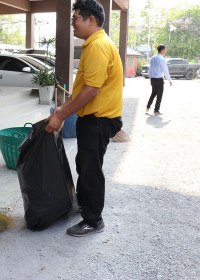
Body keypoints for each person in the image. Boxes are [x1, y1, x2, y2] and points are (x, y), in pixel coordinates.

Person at [46, 0, 123, 236]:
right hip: (93, 119)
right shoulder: (95, 44)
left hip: (98, 120)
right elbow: (84, 89)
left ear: (92, 20)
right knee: (84, 164)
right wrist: (62, 110)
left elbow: (91, 90)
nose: (72, 24)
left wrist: (61, 116)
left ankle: (93, 220)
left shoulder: (99, 45)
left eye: (76, 18)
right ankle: (85, 204)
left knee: (91, 169)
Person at [146, 44, 172, 115]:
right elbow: (165, 71)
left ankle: (148, 107)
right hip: (159, 79)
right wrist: (169, 80)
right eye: (165, 50)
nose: (165, 51)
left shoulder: (152, 58)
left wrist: (150, 79)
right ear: (163, 50)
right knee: (159, 95)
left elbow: (150, 70)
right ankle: (156, 110)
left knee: (153, 93)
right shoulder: (162, 59)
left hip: (153, 79)